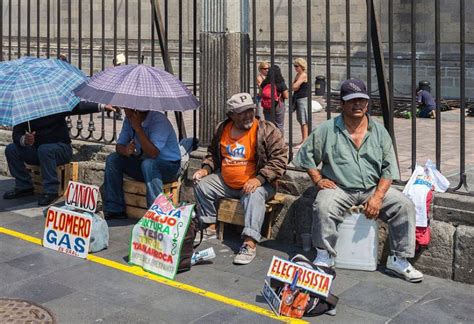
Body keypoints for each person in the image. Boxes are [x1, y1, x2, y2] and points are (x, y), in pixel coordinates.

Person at [294, 78, 423, 283]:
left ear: (367, 103)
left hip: (372, 188)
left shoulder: (379, 131)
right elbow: (305, 156)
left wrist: (378, 197)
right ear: (342, 104)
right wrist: (318, 180)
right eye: (352, 100)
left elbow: (389, 169)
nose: (357, 105)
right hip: (340, 187)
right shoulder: (327, 129)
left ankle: (398, 258)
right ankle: (324, 255)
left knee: (404, 205)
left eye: (361, 100)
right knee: (324, 205)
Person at [193, 93, 288, 265]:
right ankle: (210, 226)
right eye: (242, 112)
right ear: (231, 115)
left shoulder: (266, 130)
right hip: (227, 182)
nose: (248, 115)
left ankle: (249, 242)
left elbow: (280, 159)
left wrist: (259, 179)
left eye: (250, 110)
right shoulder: (222, 129)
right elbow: (213, 155)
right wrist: (205, 170)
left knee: (254, 194)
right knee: (201, 184)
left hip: (260, 183)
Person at [3, 102, 114, 206]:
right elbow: (16, 135)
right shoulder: (24, 110)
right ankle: (24, 186)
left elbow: (78, 107)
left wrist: (102, 106)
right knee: (11, 149)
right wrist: (25, 140)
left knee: (45, 149)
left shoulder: (54, 105)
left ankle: (51, 191)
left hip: (60, 149)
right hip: (37, 151)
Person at [103, 109, 181, 220]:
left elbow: (153, 153)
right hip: (144, 164)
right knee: (113, 159)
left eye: (127, 107)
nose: (124, 110)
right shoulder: (129, 119)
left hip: (169, 167)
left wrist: (138, 129)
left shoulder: (159, 121)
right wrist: (125, 150)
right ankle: (114, 209)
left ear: (136, 111)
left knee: (149, 164)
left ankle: (155, 214)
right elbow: (119, 146)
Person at [260, 65, 289, 134]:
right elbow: (286, 96)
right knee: (279, 125)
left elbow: (260, 93)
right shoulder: (281, 83)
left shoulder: (265, 82)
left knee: (268, 125)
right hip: (278, 104)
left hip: (267, 105)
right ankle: (280, 142)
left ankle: (269, 142)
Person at [291, 58, 310, 149]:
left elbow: (294, 86)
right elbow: (293, 87)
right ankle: (303, 139)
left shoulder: (303, 75)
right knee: (300, 119)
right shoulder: (298, 74)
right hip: (298, 98)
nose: (295, 68)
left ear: (301, 66)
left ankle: (305, 140)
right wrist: (294, 86)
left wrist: (295, 86)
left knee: (304, 120)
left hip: (303, 98)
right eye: (294, 66)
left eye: (296, 66)